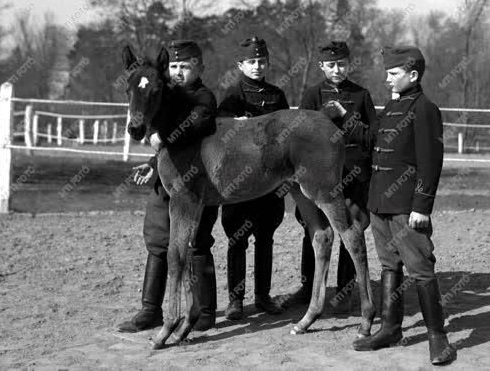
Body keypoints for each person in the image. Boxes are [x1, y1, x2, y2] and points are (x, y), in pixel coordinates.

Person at [325, 45, 456, 365]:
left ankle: (438, 338)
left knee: (421, 270)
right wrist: (345, 116)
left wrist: (422, 206)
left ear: (413, 75)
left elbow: (430, 162)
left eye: (393, 73)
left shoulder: (425, 109)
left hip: (407, 205)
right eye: (387, 73)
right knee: (389, 266)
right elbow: (372, 139)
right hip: (380, 202)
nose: (387, 78)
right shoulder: (392, 108)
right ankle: (390, 328)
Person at [118, 39, 220, 333]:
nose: (178, 72)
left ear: (198, 67)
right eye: (173, 66)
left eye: (184, 66)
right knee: (158, 239)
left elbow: (197, 123)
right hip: (167, 180)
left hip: (199, 183)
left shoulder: (202, 96)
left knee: (198, 242)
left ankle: (205, 311)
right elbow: (162, 145)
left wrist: (165, 138)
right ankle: (150, 310)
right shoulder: (167, 96)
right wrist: (151, 163)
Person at [291, 41, 377, 313]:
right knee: (315, 231)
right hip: (320, 174)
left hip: (353, 170)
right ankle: (309, 289)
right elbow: (301, 135)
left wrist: (345, 116)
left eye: (341, 64)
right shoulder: (312, 94)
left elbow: (370, 135)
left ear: (348, 64)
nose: (337, 70)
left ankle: (345, 290)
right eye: (331, 65)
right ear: (322, 67)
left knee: (351, 229)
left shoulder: (362, 95)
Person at [218, 36, 289, 320]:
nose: (257, 66)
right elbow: (220, 142)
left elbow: (286, 136)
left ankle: (263, 296)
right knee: (237, 239)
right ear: (240, 65)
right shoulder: (231, 98)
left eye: (262, 61)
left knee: (265, 239)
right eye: (252, 62)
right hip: (238, 183)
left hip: (270, 181)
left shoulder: (277, 96)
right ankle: (236, 299)